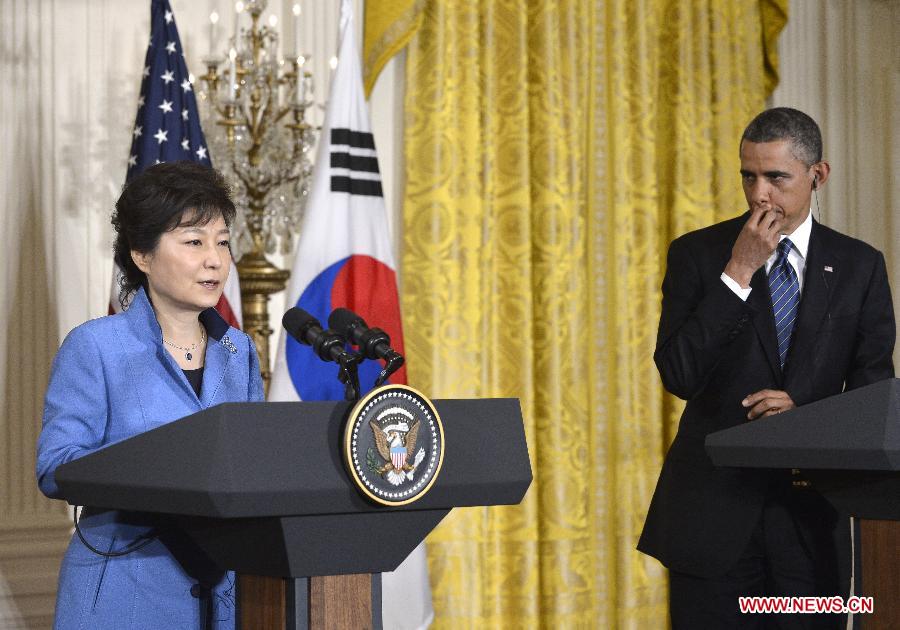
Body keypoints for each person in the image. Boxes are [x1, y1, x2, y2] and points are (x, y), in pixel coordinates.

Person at [638, 108, 895, 628]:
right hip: (712, 521)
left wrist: (804, 418)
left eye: (776, 177)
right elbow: (679, 375)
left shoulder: (859, 266)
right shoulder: (697, 254)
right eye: (748, 176)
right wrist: (739, 269)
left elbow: (875, 399)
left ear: (817, 175)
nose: (760, 194)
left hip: (811, 524)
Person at [36, 161, 264, 629]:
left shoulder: (237, 350)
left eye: (222, 242)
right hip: (124, 589)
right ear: (142, 255)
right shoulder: (95, 346)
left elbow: (251, 464)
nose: (215, 260)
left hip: (224, 592)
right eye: (194, 242)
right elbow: (55, 467)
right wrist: (158, 461)